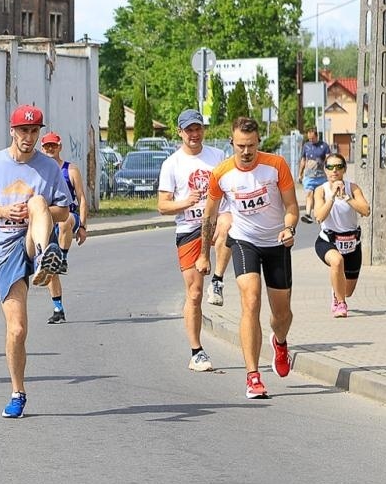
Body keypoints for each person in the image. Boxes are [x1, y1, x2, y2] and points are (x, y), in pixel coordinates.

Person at [0, 104, 71, 418]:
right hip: (5, 251)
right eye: (23, 130)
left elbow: (64, 212)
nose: (29, 137)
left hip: (33, 240)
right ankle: (17, 391)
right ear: (12, 131)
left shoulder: (48, 167)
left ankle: (43, 260)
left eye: (34, 131)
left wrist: (34, 213)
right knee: (17, 330)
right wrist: (3, 212)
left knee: (39, 201)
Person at [197, 117, 298, 399]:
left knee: (282, 314)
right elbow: (209, 215)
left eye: (251, 145)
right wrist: (204, 255)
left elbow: (291, 206)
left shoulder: (276, 165)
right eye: (240, 145)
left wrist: (289, 228)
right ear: (232, 143)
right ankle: (253, 376)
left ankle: (279, 342)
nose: (246, 151)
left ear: (258, 143)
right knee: (251, 300)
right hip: (244, 241)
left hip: (276, 242)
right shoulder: (221, 173)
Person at [157, 109, 226, 371]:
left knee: (227, 223)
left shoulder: (217, 157)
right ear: (180, 132)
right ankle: (196, 351)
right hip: (188, 230)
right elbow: (162, 206)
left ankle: (217, 281)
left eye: (198, 129)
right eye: (189, 130)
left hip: (215, 223)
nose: (194, 134)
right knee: (194, 293)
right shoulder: (172, 164)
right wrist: (185, 202)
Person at [311, 153, 371, 318]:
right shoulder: (321, 191)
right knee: (337, 262)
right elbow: (319, 217)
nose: (334, 170)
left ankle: (338, 293)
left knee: (347, 291)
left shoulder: (353, 188)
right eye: (330, 167)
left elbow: (366, 210)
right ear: (325, 170)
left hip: (351, 242)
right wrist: (332, 198)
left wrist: (346, 197)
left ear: (344, 169)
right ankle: (340, 304)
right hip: (327, 240)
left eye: (338, 167)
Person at [37, 131, 88, 323]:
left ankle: (63, 258)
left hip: (69, 216)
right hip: (48, 220)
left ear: (60, 146)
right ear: (42, 148)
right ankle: (58, 309)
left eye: (53, 145)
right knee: (49, 267)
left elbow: (82, 198)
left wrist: (83, 226)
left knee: (65, 219)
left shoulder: (70, 169)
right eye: (46, 146)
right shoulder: (39, 171)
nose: (50, 149)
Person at [298, 127, 332, 224]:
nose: (311, 140)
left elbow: (328, 160)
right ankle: (308, 214)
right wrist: (300, 174)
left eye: (312, 138)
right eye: (309, 138)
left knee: (320, 196)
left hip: (321, 177)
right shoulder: (306, 146)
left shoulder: (324, 146)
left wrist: (329, 174)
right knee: (309, 194)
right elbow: (303, 160)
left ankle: (321, 214)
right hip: (309, 176)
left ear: (317, 136)